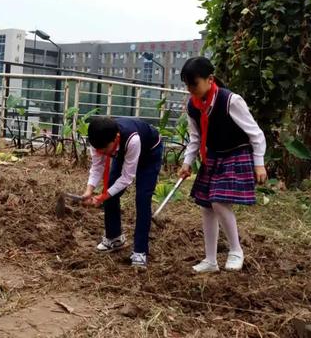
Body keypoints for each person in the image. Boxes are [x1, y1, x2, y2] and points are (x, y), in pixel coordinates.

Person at [177, 56, 267, 273]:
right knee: (206, 205)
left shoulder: (231, 101)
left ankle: (236, 251)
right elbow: (195, 138)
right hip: (213, 156)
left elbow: (256, 133)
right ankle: (211, 260)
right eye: (187, 85)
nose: (190, 89)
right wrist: (187, 162)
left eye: (194, 84)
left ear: (210, 79)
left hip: (236, 154)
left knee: (218, 201)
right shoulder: (193, 106)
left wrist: (259, 163)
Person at [81, 116, 163, 268]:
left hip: (149, 152)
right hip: (121, 151)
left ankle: (140, 251)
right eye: (99, 150)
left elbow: (127, 177)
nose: (102, 152)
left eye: (105, 149)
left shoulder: (132, 139)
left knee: (142, 199)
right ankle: (114, 238)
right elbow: (97, 166)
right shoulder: (99, 140)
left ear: (116, 138)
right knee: (111, 190)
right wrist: (89, 190)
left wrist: (103, 196)